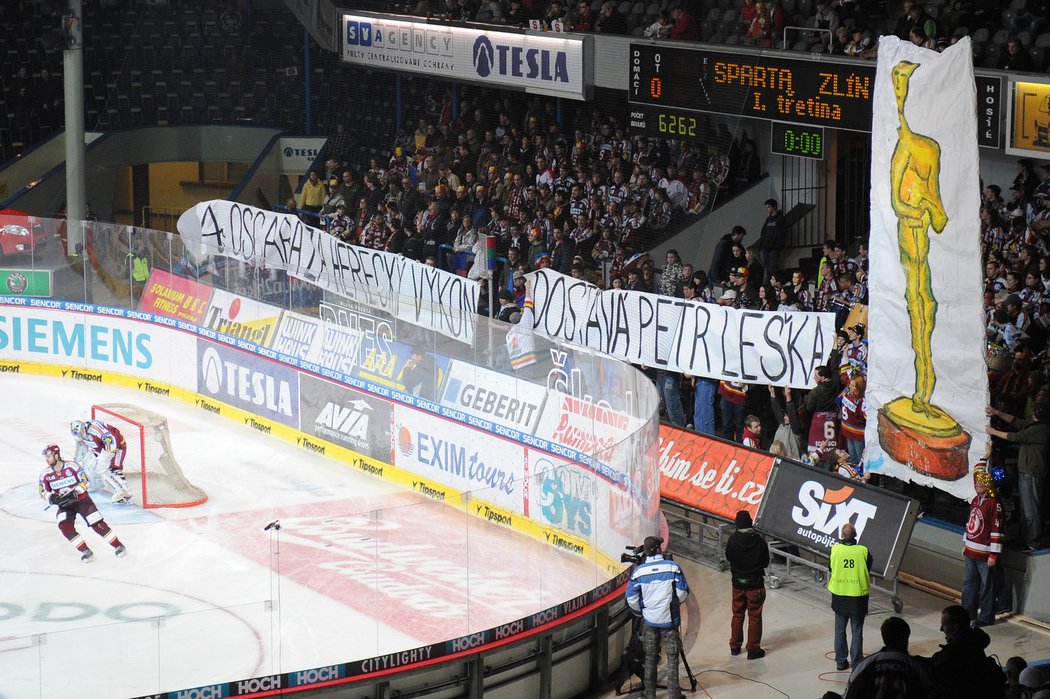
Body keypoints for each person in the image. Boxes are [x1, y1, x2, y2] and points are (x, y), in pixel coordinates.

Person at [625, 536, 690, 699]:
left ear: (646, 552)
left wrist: (642, 611)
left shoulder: (638, 572)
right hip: (670, 622)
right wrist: (675, 604)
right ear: (660, 549)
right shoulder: (673, 567)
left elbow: (631, 598)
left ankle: (649, 694)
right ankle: (674, 694)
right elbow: (682, 593)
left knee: (650, 658)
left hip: (649, 622)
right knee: (673, 657)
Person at [38, 444, 127, 563]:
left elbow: (85, 481)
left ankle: (118, 546)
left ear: (56, 455)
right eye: (46, 457)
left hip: (82, 501)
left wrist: (75, 492)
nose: (47, 459)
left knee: (98, 524)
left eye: (49, 456)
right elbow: (43, 491)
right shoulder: (45, 474)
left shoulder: (73, 467)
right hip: (65, 506)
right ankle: (86, 551)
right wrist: (52, 497)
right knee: (65, 527)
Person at [986, 403, 1049, 550]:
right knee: (1026, 508)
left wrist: (993, 432)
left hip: (1031, 473)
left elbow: (1017, 436)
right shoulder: (1037, 426)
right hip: (1027, 472)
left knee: (1030, 510)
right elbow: (1016, 422)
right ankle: (1025, 537)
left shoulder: (1041, 430)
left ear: (1035, 413)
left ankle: (1032, 542)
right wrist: (996, 412)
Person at [924, 604, 1005, 698]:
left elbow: (933, 672)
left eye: (944, 625)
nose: (941, 629)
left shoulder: (951, 655)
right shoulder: (976, 644)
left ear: (956, 627)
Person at [841, 616, 934, 698]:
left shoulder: (865, 665)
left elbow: (850, 693)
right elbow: (930, 693)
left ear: (884, 638)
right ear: (906, 638)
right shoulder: (916, 667)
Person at [963, 448, 1003, 627]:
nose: (976, 484)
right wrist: (984, 457)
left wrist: (994, 554)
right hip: (971, 550)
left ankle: (986, 617)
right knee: (969, 584)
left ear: (988, 487)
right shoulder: (975, 500)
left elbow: (997, 530)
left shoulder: (994, 505)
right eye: (977, 483)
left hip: (985, 554)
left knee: (986, 587)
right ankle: (966, 614)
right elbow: (970, 522)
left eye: (980, 484)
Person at [724, 510, 769, 659]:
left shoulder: (732, 540)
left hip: (738, 584)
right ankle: (753, 650)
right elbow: (766, 562)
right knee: (754, 617)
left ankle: (735, 647)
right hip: (755, 585)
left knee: (737, 615)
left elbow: (729, 557)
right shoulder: (759, 541)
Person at [828, 522, 872, 671]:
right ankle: (857, 662)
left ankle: (841, 661)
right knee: (857, 630)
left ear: (842, 535)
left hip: (840, 594)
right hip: (857, 596)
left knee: (840, 630)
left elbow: (831, 567)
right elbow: (868, 567)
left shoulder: (835, 550)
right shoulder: (863, 551)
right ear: (855, 535)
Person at [71, 419, 132, 504]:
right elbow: (81, 448)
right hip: (101, 448)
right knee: (90, 463)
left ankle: (125, 493)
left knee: (112, 469)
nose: (80, 435)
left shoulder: (96, 430)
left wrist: (105, 459)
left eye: (81, 433)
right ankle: (95, 484)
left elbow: (112, 441)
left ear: (83, 428)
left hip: (117, 447)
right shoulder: (79, 433)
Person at [758, 199, 787, 283]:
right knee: (767, 269)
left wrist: (778, 247)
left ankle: (772, 287)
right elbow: (763, 232)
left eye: (768, 207)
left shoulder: (780, 219)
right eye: (766, 207)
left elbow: (783, 234)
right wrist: (762, 245)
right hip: (766, 249)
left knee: (772, 269)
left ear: (774, 207)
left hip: (774, 249)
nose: (767, 209)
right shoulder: (768, 219)